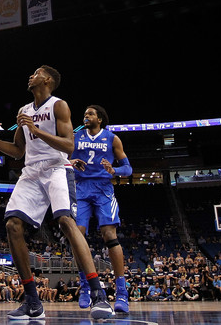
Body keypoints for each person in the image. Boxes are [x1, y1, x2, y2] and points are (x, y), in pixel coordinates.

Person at [0, 65, 114, 320]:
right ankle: (33, 301)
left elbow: (69, 147)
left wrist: (37, 131)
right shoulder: (24, 111)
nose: (30, 76)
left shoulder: (59, 105)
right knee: (12, 224)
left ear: (47, 80)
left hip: (57, 167)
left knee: (67, 222)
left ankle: (98, 295)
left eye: (35, 73)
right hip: (32, 172)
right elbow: (16, 151)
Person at [70, 104, 132, 313]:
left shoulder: (112, 138)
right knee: (77, 235)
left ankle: (122, 292)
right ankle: (86, 285)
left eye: (90, 113)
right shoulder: (76, 136)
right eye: (85, 113)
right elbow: (63, 158)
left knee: (109, 234)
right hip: (80, 188)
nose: (85, 116)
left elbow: (128, 168)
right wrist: (71, 162)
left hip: (104, 189)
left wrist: (114, 170)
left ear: (100, 119)